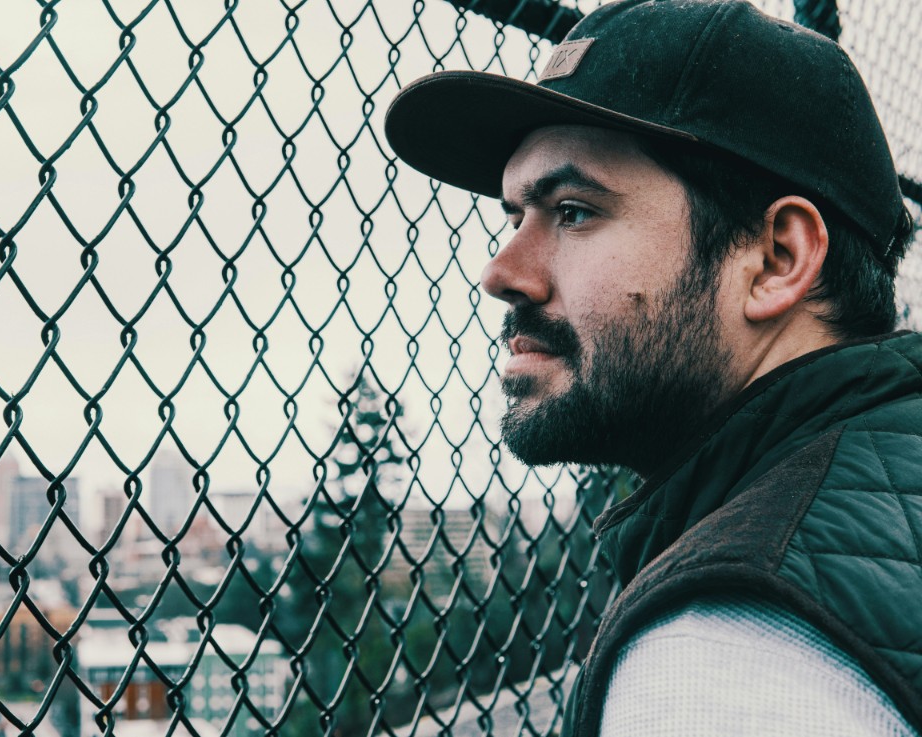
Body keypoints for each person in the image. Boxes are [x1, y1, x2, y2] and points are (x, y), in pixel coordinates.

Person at [384, 0, 920, 735]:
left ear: (776, 260)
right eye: (515, 218)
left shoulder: (722, 655)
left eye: (572, 210)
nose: (502, 271)